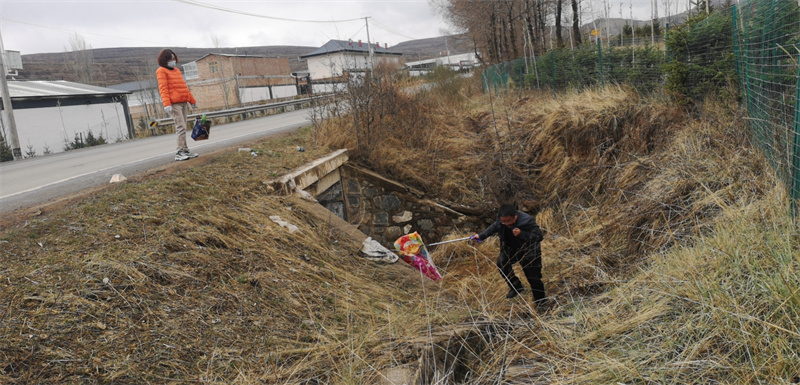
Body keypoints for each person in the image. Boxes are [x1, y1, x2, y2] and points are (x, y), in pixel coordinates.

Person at [471, 204, 548, 306]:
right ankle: (516, 286)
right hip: (510, 249)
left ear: (515, 216)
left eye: (509, 221)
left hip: (529, 251)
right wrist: (480, 236)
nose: (506, 223)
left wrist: (522, 234)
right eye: (504, 221)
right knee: (502, 264)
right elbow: (494, 227)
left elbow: (538, 237)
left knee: (533, 277)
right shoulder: (501, 220)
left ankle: (541, 302)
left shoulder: (527, 221)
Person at [156, 49, 199, 161]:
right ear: (165, 59)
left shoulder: (177, 71)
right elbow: (163, 88)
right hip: (174, 104)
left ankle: (185, 150)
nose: (173, 60)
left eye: (174, 58)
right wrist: (167, 104)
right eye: (170, 58)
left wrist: (192, 101)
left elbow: (184, 87)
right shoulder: (161, 71)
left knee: (184, 126)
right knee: (181, 127)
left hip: (183, 102)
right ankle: (179, 152)